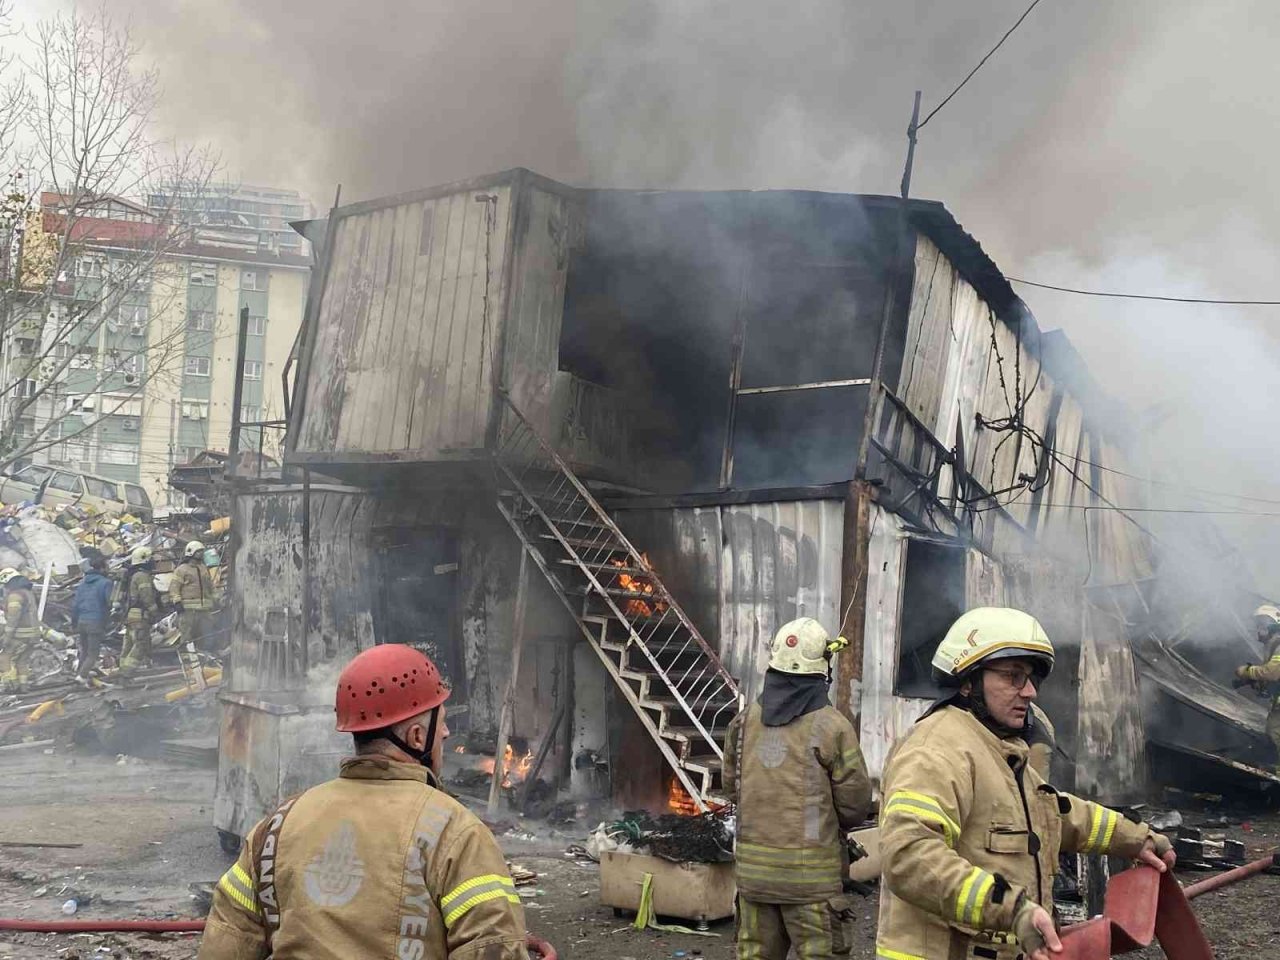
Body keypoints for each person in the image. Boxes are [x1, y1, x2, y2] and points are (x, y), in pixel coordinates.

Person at [876, 607, 1175, 960]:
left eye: (1031, 679)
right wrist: (1012, 909)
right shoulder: (936, 749)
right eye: (1013, 676)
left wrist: (1137, 839)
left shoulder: (996, 749)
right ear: (968, 681)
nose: (1030, 691)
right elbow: (909, 856)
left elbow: (1057, 813)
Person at [198, 643, 528, 960]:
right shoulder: (457, 833)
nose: (445, 734)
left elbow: (224, 944)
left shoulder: (278, 826)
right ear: (416, 737)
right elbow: (495, 948)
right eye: (442, 723)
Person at [723, 617, 872, 960]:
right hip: (812, 888)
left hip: (754, 883)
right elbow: (854, 807)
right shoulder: (833, 727)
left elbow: (732, 789)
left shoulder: (743, 722)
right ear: (822, 669)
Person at [1234, 603, 1280, 770]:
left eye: (1260, 625)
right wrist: (1257, 683)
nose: (1258, 630)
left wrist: (1247, 671)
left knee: (1275, 734)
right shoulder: (1272, 646)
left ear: (1270, 625)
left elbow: (1272, 672)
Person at [70, 556, 114, 680]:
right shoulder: (106, 583)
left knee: (84, 651)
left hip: (81, 621)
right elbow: (109, 602)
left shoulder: (83, 583)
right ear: (101, 568)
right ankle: (82, 677)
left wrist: (74, 623)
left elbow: (75, 605)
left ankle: (79, 673)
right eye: (107, 566)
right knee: (93, 653)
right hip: (95, 621)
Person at [170, 540, 218, 652]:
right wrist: (177, 602)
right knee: (187, 637)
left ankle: (207, 657)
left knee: (208, 635)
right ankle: (189, 658)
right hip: (188, 611)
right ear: (191, 552)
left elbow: (210, 587)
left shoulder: (204, 568)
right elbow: (174, 587)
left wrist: (217, 599)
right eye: (198, 551)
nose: (201, 554)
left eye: (202, 551)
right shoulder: (182, 570)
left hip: (204, 610)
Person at [120, 546, 160, 671]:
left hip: (130, 614)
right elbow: (146, 596)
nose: (153, 561)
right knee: (140, 644)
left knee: (129, 645)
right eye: (151, 559)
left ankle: (124, 668)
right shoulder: (142, 576)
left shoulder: (131, 575)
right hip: (140, 615)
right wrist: (155, 611)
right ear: (145, 560)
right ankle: (126, 672)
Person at [0, 568, 40, 689]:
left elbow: (13, 619)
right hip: (33, 635)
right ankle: (23, 686)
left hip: (20, 636)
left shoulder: (14, 596)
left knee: (4, 658)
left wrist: (6, 638)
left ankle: (12, 686)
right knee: (22, 661)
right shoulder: (28, 593)